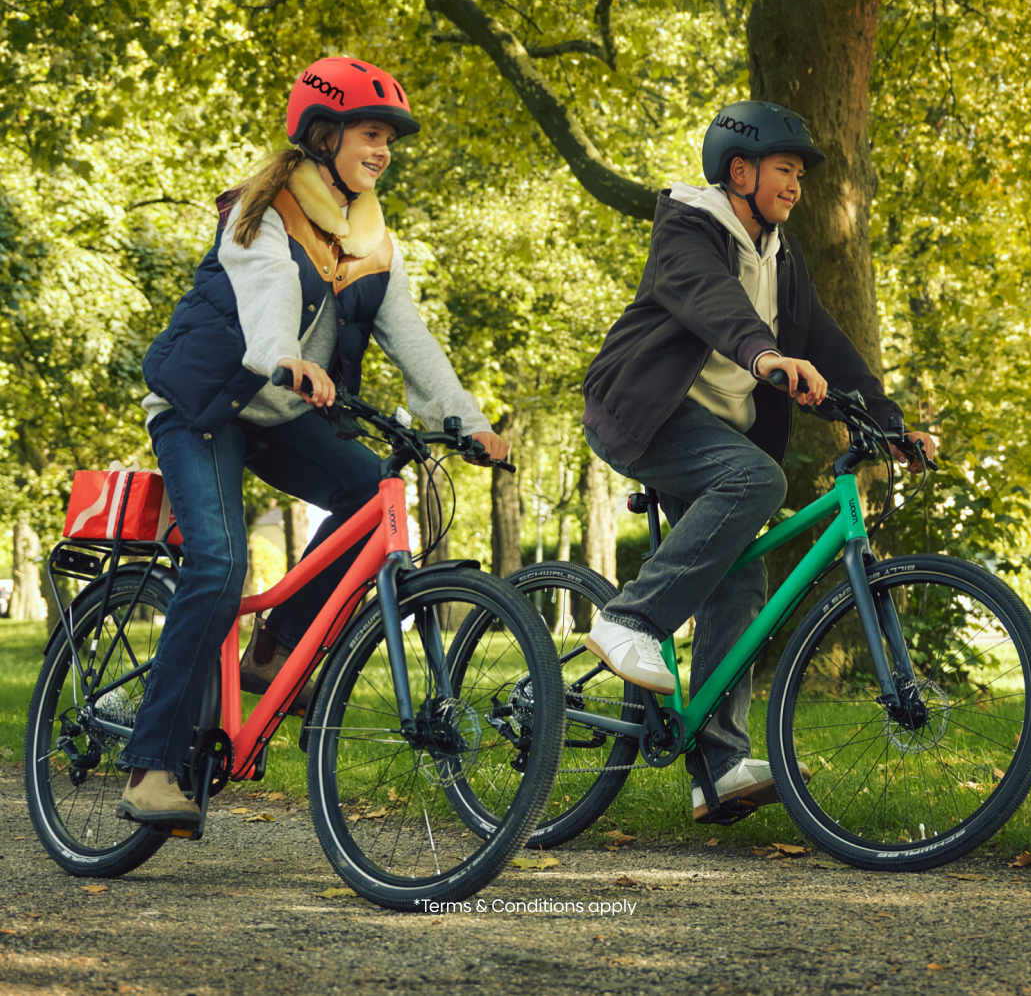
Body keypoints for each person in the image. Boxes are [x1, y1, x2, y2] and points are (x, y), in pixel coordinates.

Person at [118, 57, 508, 826]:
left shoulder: (372, 242)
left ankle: (274, 650)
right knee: (220, 563)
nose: (384, 150)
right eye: (371, 135)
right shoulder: (261, 211)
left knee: (370, 493)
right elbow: (267, 286)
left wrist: (467, 420)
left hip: (279, 415)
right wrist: (283, 356)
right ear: (324, 135)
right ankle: (150, 767)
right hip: (204, 404)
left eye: (389, 139)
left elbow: (412, 339)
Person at [580, 100, 935, 821]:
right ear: (739, 172)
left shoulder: (782, 256)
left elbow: (826, 342)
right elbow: (708, 300)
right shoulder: (688, 227)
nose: (796, 185)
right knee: (756, 478)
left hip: (711, 435)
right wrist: (764, 354)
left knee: (741, 575)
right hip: (644, 413)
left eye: (801, 174)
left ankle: (716, 768)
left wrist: (890, 424)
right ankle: (629, 619)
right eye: (785, 170)